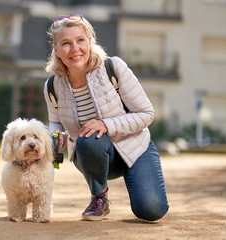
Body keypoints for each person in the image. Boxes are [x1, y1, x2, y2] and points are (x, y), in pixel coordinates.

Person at [44, 14, 169, 222]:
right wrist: (54, 154)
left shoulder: (113, 68)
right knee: (89, 138)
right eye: (66, 43)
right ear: (56, 50)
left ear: (90, 41)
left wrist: (106, 124)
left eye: (80, 40)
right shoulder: (52, 85)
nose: (75, 49)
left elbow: (147, 114)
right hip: (92, 152)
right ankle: (99, 197)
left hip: (135, 147)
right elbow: (55, 122)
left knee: (152, 210)